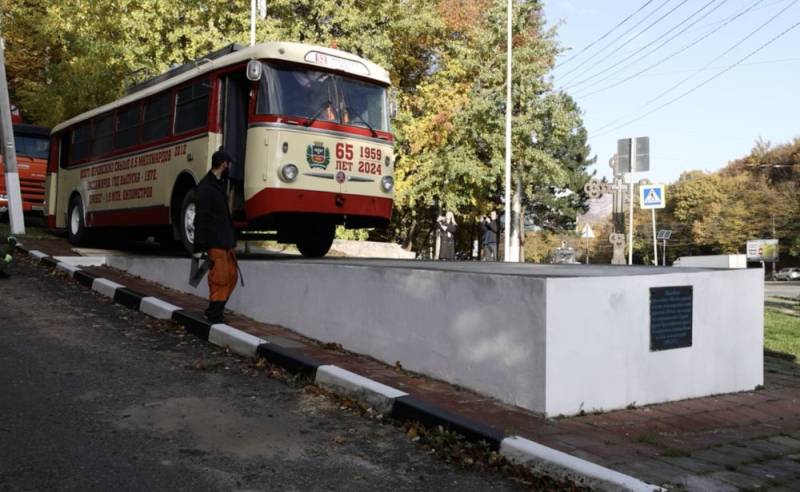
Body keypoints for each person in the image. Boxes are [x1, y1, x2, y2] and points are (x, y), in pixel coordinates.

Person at [194, 147, 239, 323]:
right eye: (228, 163)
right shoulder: (206, 188)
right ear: (222, 164)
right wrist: (198, 247)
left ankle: (214, 310)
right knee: (220, 278)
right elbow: (201, 218)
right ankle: (215, 315)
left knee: (232, 277)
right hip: (215, 242)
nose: (229, 166)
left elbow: (224, 217)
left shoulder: (219, 185)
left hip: (226, 242)